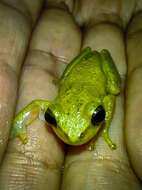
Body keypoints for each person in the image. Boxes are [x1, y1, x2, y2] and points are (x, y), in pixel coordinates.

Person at [0, 1, 141, 189]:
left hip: (97, 70)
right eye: (52, 117)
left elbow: (108, 98)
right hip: (77, 74)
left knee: (114, 89)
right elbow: (39, 104)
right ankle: (65, 81)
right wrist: (19, 124)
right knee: (66, 80)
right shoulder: (55, 109)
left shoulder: (97, 107)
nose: (73, 138)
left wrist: (104, 126)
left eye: (96, 116)